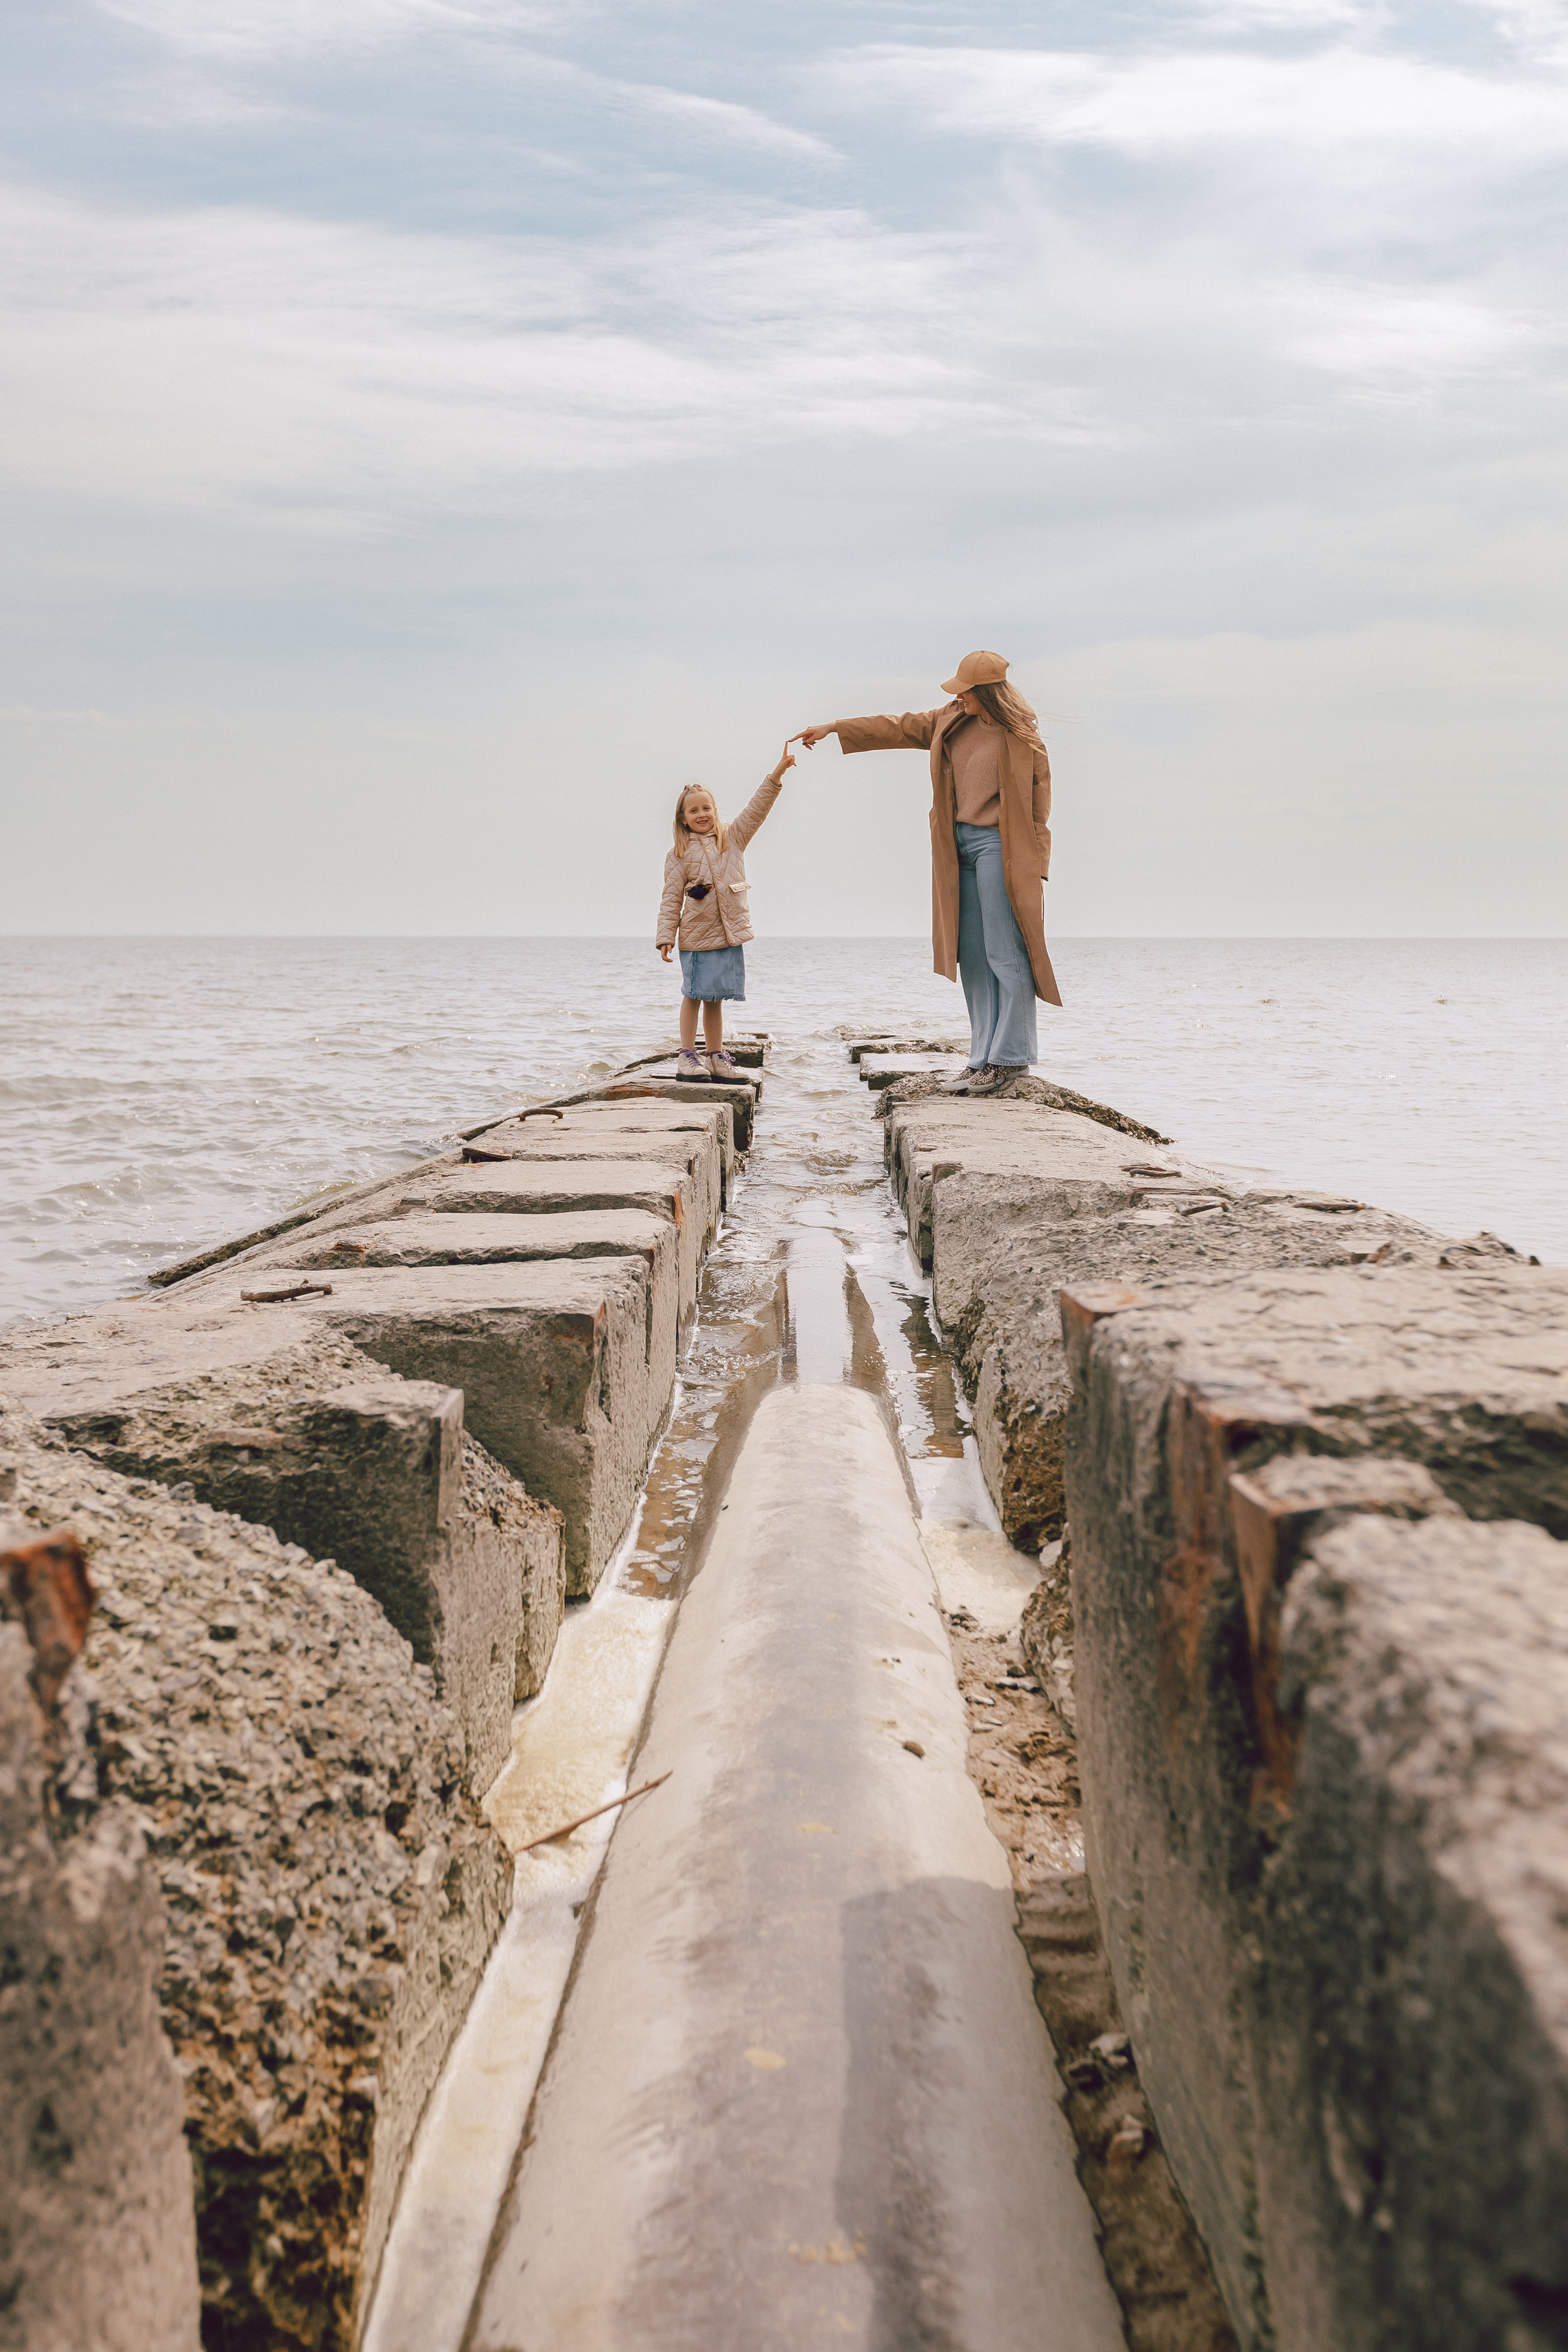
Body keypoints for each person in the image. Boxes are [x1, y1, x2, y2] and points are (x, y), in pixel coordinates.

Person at [797, 650, 1059, 1096]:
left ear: (987, 692)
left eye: (966, 691)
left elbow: (1038, 810)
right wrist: (836, 727)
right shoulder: (949, 720)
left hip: (1003, 846)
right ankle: (982, 1060)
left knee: (1005, 951)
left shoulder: (1023, 738)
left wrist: (1038, 867)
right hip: (957, 848)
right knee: (973, 956)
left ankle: (1011, 1059)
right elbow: (896, 727)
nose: (959, 697)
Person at [657, 745, 794, 1079]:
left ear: (715, 810)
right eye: (693, 811)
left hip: (727, 931)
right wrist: (665, 938)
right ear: (683, 819)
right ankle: (688, 1056)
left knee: (715, 997)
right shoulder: (678, 853)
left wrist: (776, 775)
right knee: (693, 994)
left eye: (706, 808)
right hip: (695, 933)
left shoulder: (732, 838)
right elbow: (671, 898)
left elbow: (756, 809)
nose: (701, 814)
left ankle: (716, 1057)